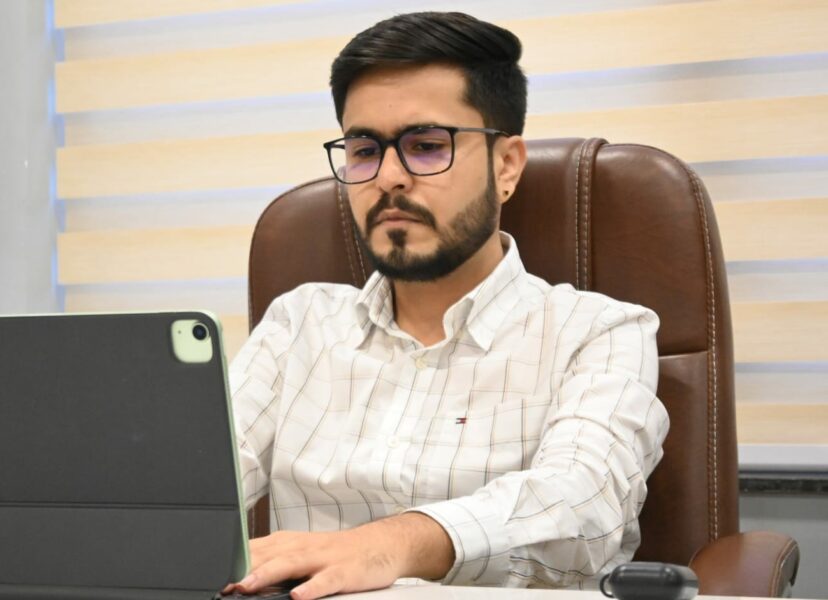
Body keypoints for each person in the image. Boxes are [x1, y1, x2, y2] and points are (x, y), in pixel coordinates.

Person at [228, 12, 669, 600]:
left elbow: (584, 506)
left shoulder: (601, 331)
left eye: (426, 146)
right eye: (364, 150)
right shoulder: (299, 324)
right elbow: (193, 488)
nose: (388, 177)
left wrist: (392, 545)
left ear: (506, 165)